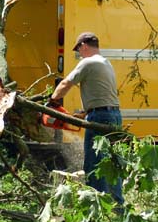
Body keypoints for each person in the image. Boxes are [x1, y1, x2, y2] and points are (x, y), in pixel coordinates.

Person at [49, 32, 124, 205]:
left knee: (94, 165)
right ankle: (118, 207)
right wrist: (85, 112)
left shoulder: (88, 62)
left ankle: (97, 209)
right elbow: (102, 93)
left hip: (100, 118)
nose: (79, 53)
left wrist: (52, 102)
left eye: (78, 49)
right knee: (111, 165)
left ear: (84, 45)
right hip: (114, 115)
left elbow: (66, 84)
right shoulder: (105, 62)